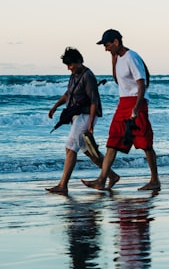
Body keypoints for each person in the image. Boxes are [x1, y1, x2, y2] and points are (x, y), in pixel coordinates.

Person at [83, 29, 161, 191]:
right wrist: (112, 58)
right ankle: (102, 179)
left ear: (116, 42)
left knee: (145, 142)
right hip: (123, 102)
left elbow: (141, 83)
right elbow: (118, 80)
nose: (105, 48)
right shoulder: (118, 58)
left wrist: (136, 107)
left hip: (136, 102)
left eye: (107, 45)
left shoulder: (132, 57)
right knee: (113, 140)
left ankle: (155, 180)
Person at [46, 47, 118, 194]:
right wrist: (55, 106)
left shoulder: (88, 76)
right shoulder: (74, 75)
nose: (69, 68)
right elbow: (68, 94)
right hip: (77, 116)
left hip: (86, 115)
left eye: (70, 64)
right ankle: (112, 175)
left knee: (70, 147)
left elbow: (94, 101)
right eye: (67, 65)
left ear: (79, 61)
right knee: (88, 151)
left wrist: (91, 124)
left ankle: (62, 185)